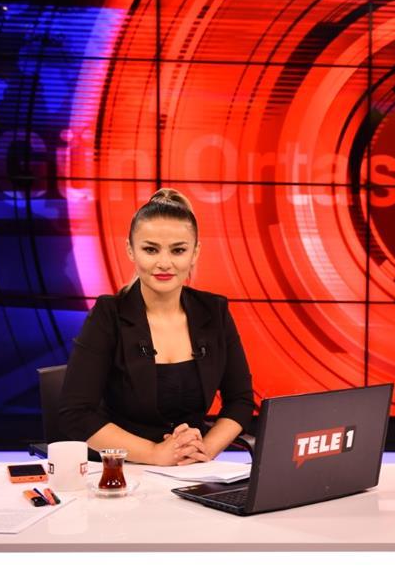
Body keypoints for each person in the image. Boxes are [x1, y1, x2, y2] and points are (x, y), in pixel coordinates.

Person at [58, 189, 255, 465]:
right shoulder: (108, 315)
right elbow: (76, 414)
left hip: (190, 468)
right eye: (150, 249)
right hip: (123, 469)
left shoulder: (214, 311)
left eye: (178, 250)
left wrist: (206, 449)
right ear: (130, 250)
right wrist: (155, 453)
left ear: (195, 252)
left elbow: (241, 401)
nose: (164, 263)